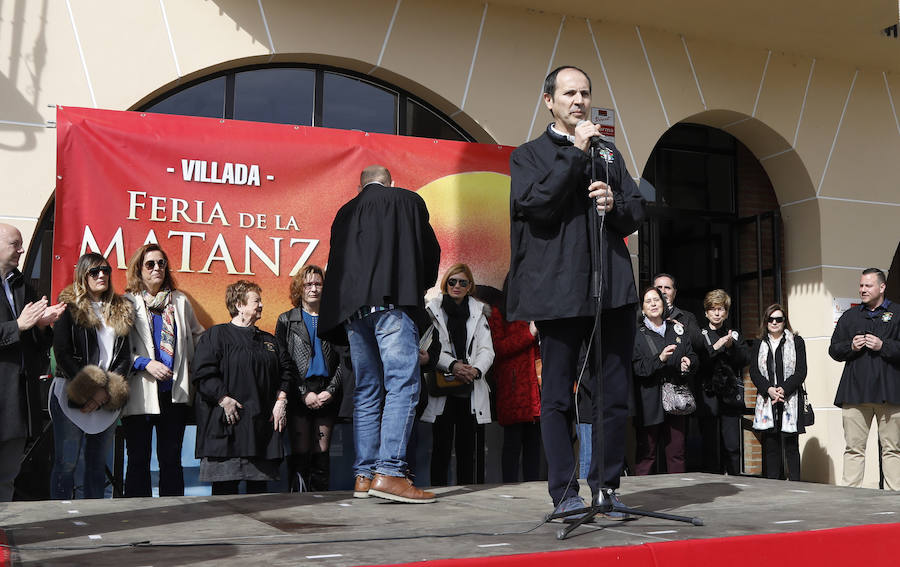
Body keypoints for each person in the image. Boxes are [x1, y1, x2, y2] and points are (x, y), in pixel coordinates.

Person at [507, 65, 646, 517]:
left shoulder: (609, 154)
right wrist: (575, 151)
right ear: (549, 100)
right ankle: (564, 493)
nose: (579, 101)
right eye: (569, 93)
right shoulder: (528, 155)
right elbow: (536, 205)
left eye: (584, 93)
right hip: (559, 294)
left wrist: (616, 203)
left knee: (612, 395)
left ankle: (606, 487)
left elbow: (635, 209)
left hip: (612, 293)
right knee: (558, 399)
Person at [319, 165, 441, 503]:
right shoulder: (407, 201)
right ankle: (390, 472)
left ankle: (364, 475)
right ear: (390, 183)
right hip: (392, 305)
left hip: (355, 314)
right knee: (403, 384)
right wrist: (418, 286)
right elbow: (430, 253)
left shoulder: (345, 213)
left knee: (367, 392)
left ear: (361, 187)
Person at [192, 280, 293, 495]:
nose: (261, 305)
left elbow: (287, 372)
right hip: (227, 431)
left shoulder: (270, 341)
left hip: (260, 433)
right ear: (239, 304)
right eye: (256, 300)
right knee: (224, 498)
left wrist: (281, 401)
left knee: (260, 500)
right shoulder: (215, 336)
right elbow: (203, 373)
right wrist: (223, 399)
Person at [121, 244, 204, 497]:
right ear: (139, 269)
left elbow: (198, 337)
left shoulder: (179, 300)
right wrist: (145, 363)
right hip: (139, 393)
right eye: (150, 264)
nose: (157, 268)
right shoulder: (127, 302)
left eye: (161, 263)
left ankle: (173, 515)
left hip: (173, 394)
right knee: (138, 460)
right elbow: (116, 348)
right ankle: (135, 516)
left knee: (171, 460)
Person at [52, 253, 134, 499]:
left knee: (97, 467)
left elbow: (124, 358)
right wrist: (90, 389)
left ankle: (95, 522)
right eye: (94, 272)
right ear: (83, 275)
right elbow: (63, 353)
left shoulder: (121, 309)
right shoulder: (69, 306)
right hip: (71, 390)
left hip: (107, 396)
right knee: (66, 464)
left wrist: (103, 394)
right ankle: (59, 520)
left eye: (106, 270)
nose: (102, 275)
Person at [0, 224, 64, 501]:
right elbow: (16, 329)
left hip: (16, 404)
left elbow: (34, 345)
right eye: (16, 244)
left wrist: (40, 326)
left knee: (6, 477)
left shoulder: (20, 284)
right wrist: (18, 325)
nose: (22, 249)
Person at [421, 264, 494, 486]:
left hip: (470, 385)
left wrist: (476, 370)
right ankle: (439, 490)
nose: (457, 286)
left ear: (469, 286)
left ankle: (468, 489)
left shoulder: (479, 312)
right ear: (446, 283)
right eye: (453, 281)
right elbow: (427, 347)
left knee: (468, 447)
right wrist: (452, 365)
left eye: (463, 282)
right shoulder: (432, 309)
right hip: (443, 384)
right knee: (441, 446)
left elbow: (486, 349)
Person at [275, 265, 344, 492]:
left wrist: (331, 391)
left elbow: (345, 360)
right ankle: (298, 502)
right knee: (300, 451)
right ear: (299, 288)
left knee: (321, 452)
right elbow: (283, 362)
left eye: (318, 284)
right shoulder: (287, 320)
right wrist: (303, 393)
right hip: (299, 392)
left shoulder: (335, 319)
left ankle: (320, 501)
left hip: (326, 392)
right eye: (308, 284)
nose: (313, 289)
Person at [830, 268, 900, 490]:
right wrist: (850, 346)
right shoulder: (850, 316)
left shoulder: (898, 314)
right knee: (853, 448)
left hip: (890, 394)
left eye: (868, 285)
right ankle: (850, 498)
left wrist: (884, 346)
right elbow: (833, 349)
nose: (862, 290)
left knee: (892, 449)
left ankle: (894, 498)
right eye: (861, 285)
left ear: (882, 287)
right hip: (855, 394)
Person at [475, 283, 543, 483]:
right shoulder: (499, 312)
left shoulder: (536, 311)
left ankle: (533, 486)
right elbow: (498, 348)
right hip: (513, 387)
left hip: (536, 387)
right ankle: (510, 486)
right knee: (512, 443)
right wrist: (529, 334)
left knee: (534, 443)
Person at [632, 286, 698, 475]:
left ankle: (679, 496)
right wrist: (659, 359)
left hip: (676, 401)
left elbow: (692, 355)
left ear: (664, 304)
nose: (653, 304)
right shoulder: (637, 334)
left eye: (657, 300)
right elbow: (637, 368)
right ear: (643, 309)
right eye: (648, 301)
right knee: (647, 455)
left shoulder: (677, 329)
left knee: (676, 454)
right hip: (648, 402)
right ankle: (641, 497)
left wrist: (689, 362)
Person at [750, 304, 808, 480]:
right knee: (771, 445)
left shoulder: (796, 341)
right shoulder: (759, 343)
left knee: (791, 445)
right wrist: (769, 389)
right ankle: (772, 485)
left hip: (790, 399)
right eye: (771, 319)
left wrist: (783, 389)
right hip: (768, 400)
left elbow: (801, 371)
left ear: (784, 322)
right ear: (765, 321)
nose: (774, 322)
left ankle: (796, 485)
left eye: (779, 319)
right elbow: (754, 371)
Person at [696, 289, 749, 475]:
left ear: (726, 312)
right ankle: (713, 481)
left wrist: (731, 347)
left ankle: (735, 478)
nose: (717, 313)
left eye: (721, 309)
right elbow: (699, 362)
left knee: (732, 444)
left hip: (729, 395)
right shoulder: (700, 334)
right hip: (708, 394)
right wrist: (716, 347)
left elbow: (744, 359)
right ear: (706, 312)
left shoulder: (733, 335)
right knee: (710, 444)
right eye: (713, 309)